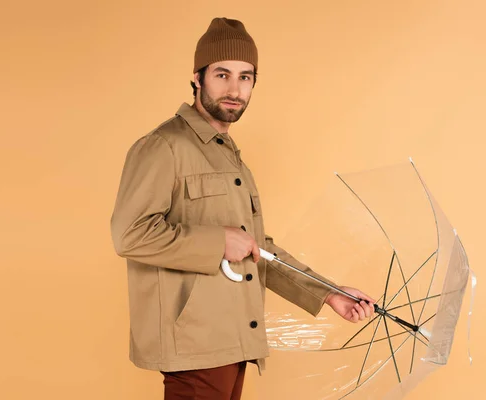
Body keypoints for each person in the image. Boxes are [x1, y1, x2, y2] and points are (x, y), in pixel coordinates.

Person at [110, 17, 376, 400]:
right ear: (198, 78)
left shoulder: (231, 159)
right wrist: (218, 241)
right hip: (194, 345)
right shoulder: (163, 146)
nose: (235, 89)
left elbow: (255, 247)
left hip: (234, 339)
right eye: (222, 74)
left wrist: (327, 292)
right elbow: (129, 235)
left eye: (246, 77)